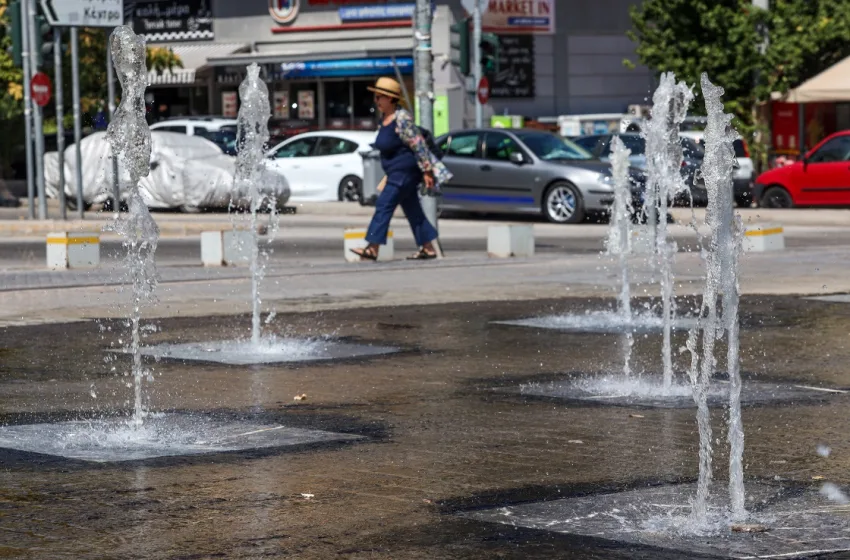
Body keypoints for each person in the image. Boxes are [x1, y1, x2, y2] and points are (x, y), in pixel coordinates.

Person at [350, 77, 452, 261]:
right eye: (375, 96)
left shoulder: (402, 118)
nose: (376, 100)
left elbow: (419, 145)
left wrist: (427, 172)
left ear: (390, 98)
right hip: (395, 172)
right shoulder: (384, 119)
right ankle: (428, 247)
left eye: (379, 97)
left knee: (384, 205)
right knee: (413, 209)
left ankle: (372, 247)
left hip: (404, 171)